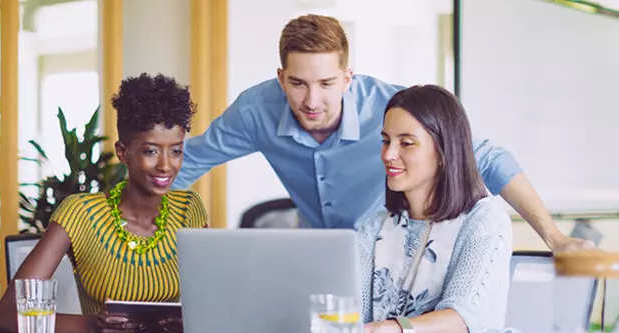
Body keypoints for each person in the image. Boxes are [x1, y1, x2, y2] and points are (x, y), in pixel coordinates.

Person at [173, 14, 592, 253]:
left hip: (391, 255)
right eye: (298, 84)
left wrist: (554, 238)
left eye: (327, 84)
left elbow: (489, 158)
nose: (312, 101)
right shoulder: (255, 111)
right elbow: (183, 163)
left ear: (348, 77)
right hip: (318, 260)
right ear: (281, 78)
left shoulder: (394, 107)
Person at [0, 73, 207, 333]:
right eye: (150, 151)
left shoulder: (189, 209)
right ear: (122, 152)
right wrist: (92, 326)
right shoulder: (81, 213)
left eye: (176, 151)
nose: (166, 165)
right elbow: (6, 315)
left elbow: (212, 304)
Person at [359, 85, 512, 333]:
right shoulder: (375, 227)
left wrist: (392, 330)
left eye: (406, 143)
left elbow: (460, 322)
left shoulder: (484, 222)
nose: (388, 154)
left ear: (443, 151)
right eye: (386, 141)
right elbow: (351, 314)